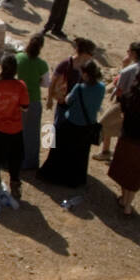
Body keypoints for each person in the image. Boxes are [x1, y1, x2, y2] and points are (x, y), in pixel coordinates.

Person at [39, 59, 104, 189]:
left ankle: (54, 176)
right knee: (80, 154)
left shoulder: (79, 88)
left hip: (73, 122)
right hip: (88, 126)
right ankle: (75, 180)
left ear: (85, 74)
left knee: (60, 150)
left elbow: (68, 101)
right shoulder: (101, 87)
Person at [107, 68, 140, 215]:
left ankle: (123, 198)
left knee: (124, 169)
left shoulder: (127, 96)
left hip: (127, 138)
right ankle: (128, 205)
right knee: (136, 172)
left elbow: (123, 115)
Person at [0, 54, 30, 204]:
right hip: (14, 129)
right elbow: (25, 107)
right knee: (15, 157)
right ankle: (15, 184)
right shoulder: (21, 86)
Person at [94, 41, 140, 162]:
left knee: (104, 123)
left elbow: (119, 89)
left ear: (133, 53)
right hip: (136, 104)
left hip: (122, 103)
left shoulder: (128, 70)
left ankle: (106, 151)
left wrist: (124, 67)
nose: (127, 52)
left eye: (129, 51)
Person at [15, 34, 50, 171]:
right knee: (32, 132)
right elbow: (46, 83)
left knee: (15, 129)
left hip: (18, 99)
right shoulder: (42, 64)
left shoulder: (19, 58)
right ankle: (29, 162)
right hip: (33, 100)